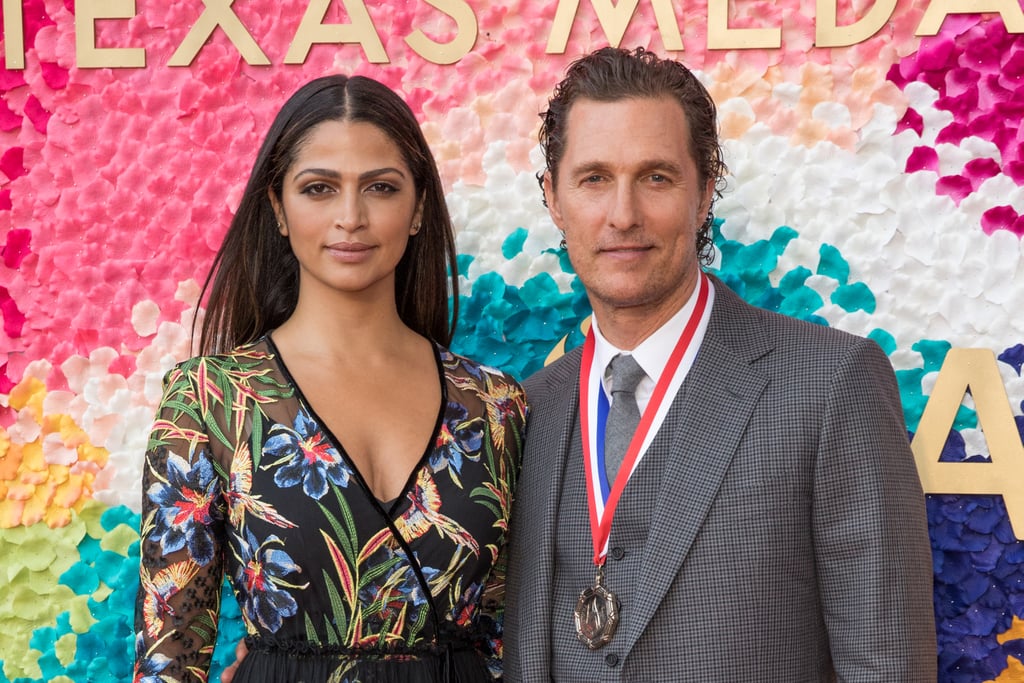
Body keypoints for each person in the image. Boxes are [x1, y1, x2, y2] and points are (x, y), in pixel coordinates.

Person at [503, 47, 937, 681]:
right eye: (594, 178)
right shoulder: (530, 408)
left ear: (705, 191)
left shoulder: (832, 384)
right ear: (553, 197)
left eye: (656, 177)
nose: (623, 215)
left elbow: (887, 666)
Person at [133, 74, 527, 683]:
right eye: (319, 188)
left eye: (380, 187)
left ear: (419, 208)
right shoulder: (210, 400)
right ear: (278, 208)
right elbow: (168, 659)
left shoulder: (496, 406)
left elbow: (512, 640)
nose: (350, 217)